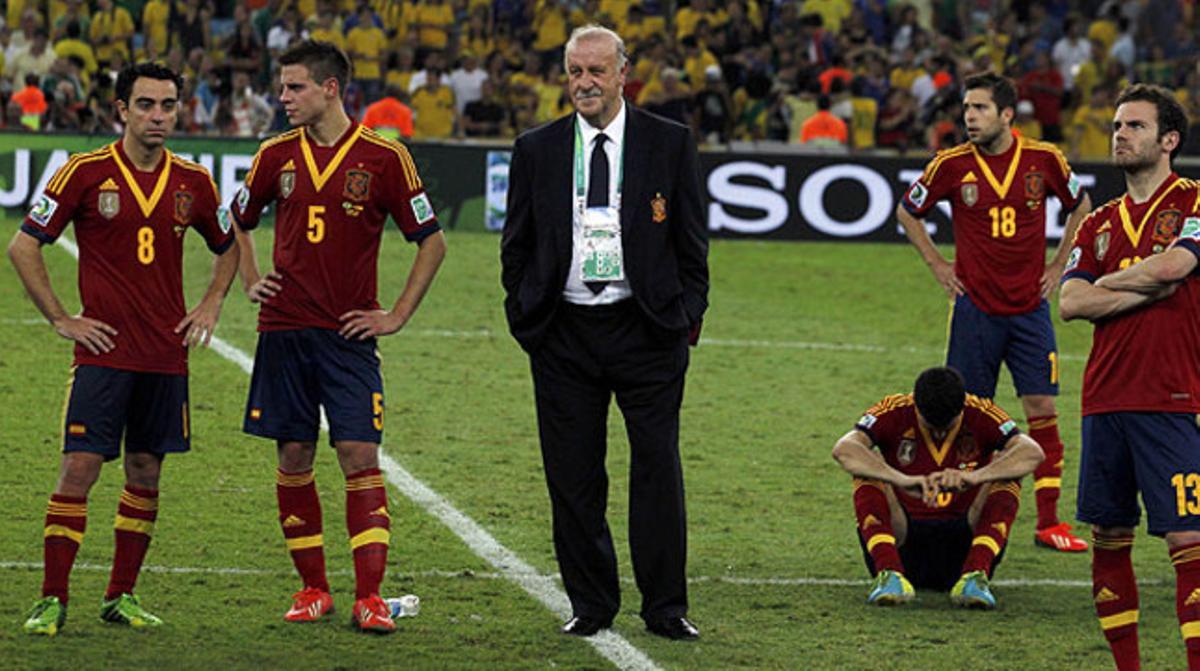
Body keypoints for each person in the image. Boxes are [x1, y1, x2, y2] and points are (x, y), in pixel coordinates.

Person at [7, 62, 238, 636]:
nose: (158, 116)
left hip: (165, 355)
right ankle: (52, 598)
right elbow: (23, 247)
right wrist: (62, 318)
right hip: (103, 353)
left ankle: (121, 596)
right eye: (145, 105)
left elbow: (228, 245)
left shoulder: (195, 182)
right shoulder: (83, 173)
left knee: (145, 472)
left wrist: (211, 303)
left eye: (167, 105)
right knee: (80, 469)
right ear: (121, 110)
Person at [229, 40, 446, 635]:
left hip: (349, 336)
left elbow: (432, 239)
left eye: (294, 87)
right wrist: (251, 279)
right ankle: (313, 589)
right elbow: (239, 220)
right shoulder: (275, 154)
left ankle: (370, 597)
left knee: (359, 455)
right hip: (284, 330)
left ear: (330, 89)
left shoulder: (382, 157)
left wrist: (396, 314)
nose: (283, 98)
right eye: (282, 87)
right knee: (293, 454)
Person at [500, 25, 709, 640]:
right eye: (574, 72)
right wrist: (527, 317)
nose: (584, 83)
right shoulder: (536, 147)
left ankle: (666, 607)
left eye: (596, 71)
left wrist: (684, 317)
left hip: (647, 332)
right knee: (573, 477)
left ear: (623, 74)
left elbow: (692, 242)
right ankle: (590, 605)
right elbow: (517, 245)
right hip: (563, 333)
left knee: (657, 472)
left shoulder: (668, 143)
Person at [897, 72, 1093, 553]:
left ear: (1007, 114)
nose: (969, 116)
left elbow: (1081, 205)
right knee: (968, 416)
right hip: (975, 311)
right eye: (966, 108)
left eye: (980, 108)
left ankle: (1049, 523)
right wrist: (938, 263)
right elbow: (907, 211)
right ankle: (963, 515)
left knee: (1042, 410)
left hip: (1029, 310)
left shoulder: (1044, 159)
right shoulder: (950, 163)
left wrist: (1060, 262)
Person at [1059, 83, 1200, 671]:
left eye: (1135, 126)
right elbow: (1068, 303)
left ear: (1168, 140)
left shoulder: (1195, 202)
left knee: (1188, 543)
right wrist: (1142, 284)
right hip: (1104, 400)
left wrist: (1107, 283)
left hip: (1172, 397)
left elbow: (1177, 266)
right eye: (1118, 125)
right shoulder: (1099, 222)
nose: (1120, 133)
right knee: (1108, 537)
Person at [832, 367, 1044, 608]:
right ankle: (889, 573)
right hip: (904, 543)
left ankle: (975, 575)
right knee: (867, 467)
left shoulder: (981, 411)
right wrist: (901, 479)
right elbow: (844, 449)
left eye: (948, 425)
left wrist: (975, 477)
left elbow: (1032, 453)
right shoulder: (894, 409)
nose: (940, 432)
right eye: (931, 426)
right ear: (916, 406)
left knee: (1006, 470)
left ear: (962, 407)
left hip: (963, 545)